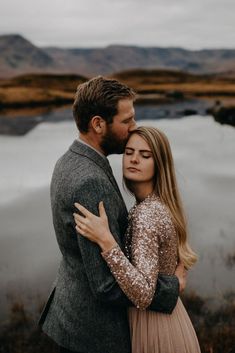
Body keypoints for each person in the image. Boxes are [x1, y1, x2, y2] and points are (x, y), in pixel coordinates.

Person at [39, 77, 186, 353]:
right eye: (127, 120)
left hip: (71, 313)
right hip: (94, 332)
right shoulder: (89, 182)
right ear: (98, 124)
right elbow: (106, 286)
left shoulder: (70, 159)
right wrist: (171, 287)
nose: (134, 127)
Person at [74, 126, 201, 353]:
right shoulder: (155, 204)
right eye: (129, 152)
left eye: (145, 155)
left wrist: (107, 242)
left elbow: (143, 293)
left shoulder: (146, 215)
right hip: (169, 319)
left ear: (159, 163)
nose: (134, 160)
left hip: (155, 326)